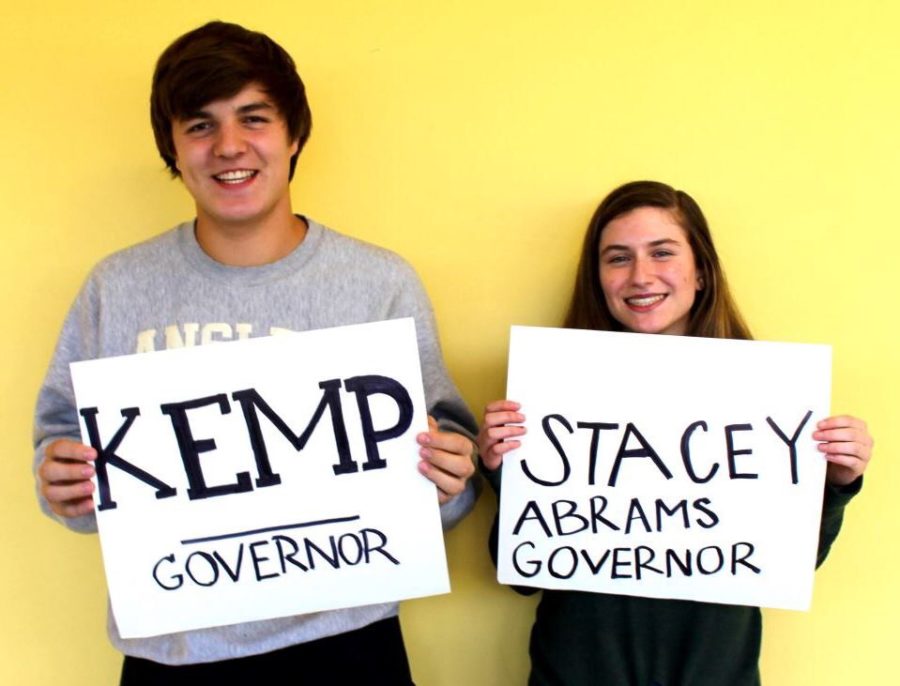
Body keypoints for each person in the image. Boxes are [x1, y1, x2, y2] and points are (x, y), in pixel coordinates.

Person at [33, 21, 478, 685]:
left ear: (294, 135)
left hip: (347, 645)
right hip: (173, 650)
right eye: (200, 126)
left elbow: (449, 475)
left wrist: (449, 477)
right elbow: (63, 443)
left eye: (254, 117)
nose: (229, 147)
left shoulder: (381, 284)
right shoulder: (116, 287)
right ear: (173, 151)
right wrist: (60, 480)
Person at [478, 180, 873, 686]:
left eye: (662, 253)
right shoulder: (552, 392)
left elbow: (787, 563)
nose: (641, 276)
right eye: (617, 258)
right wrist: (502, 470)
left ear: (701, 271)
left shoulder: (767, 395)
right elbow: (520, 576)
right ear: (597, 277)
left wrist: (837, 484)